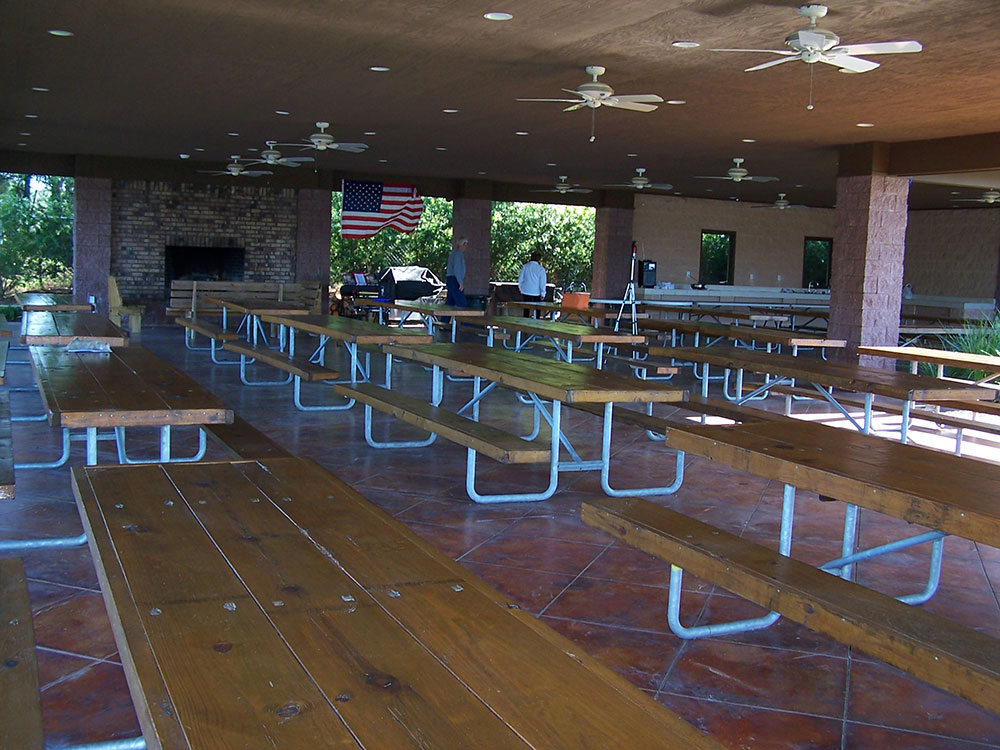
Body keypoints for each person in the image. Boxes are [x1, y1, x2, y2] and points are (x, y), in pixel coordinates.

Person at [517, 251, 547, 317]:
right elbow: (542, 282)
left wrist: (521, 289)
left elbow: (520, 279)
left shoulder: (525, 267)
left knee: (526, 310)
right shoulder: (541, 269)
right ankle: (536, 324)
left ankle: (525, 324)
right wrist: (543, 293)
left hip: (526, 291)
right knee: (537, 311)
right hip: (537, 293)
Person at [445, 237, 468, 309]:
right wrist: (460, 282)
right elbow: (457, 269)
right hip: (454, 280)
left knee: (449, 304)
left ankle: (444, 320)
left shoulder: (453, 254)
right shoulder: (458, 254)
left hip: (451, 279)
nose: (466, 247)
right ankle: (465, 320)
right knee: (462, 303)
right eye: (465, 244)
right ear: (461, 245)